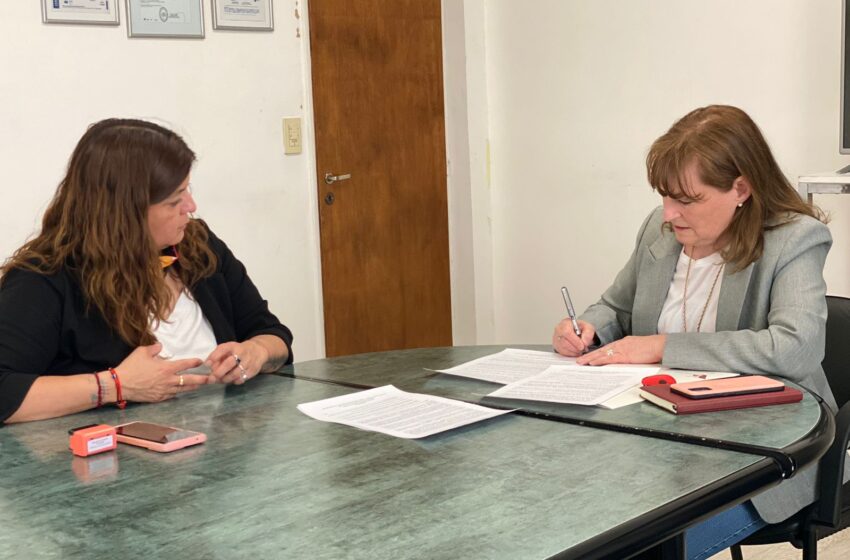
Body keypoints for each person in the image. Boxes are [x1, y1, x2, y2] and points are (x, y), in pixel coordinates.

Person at [552, 105, 835, 560]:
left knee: (641, 547)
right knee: (570, 521)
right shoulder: (660, 231)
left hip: (758, 455)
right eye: (665, 196)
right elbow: (613, 308)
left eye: (687, 199)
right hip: (651, 439)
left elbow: (795, 348)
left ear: (740, 188)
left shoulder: (794, 239)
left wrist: (663, 347)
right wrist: (585, 328)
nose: (669, 213)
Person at [0, 118, 293, 424]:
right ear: (125, 213)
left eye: (186, 190)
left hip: (219, 453)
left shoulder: (198, 245)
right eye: (174, 200)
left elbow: (273, 335)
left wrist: (256, 351)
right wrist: (116, 385)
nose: (190, 206)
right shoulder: (45, 278)